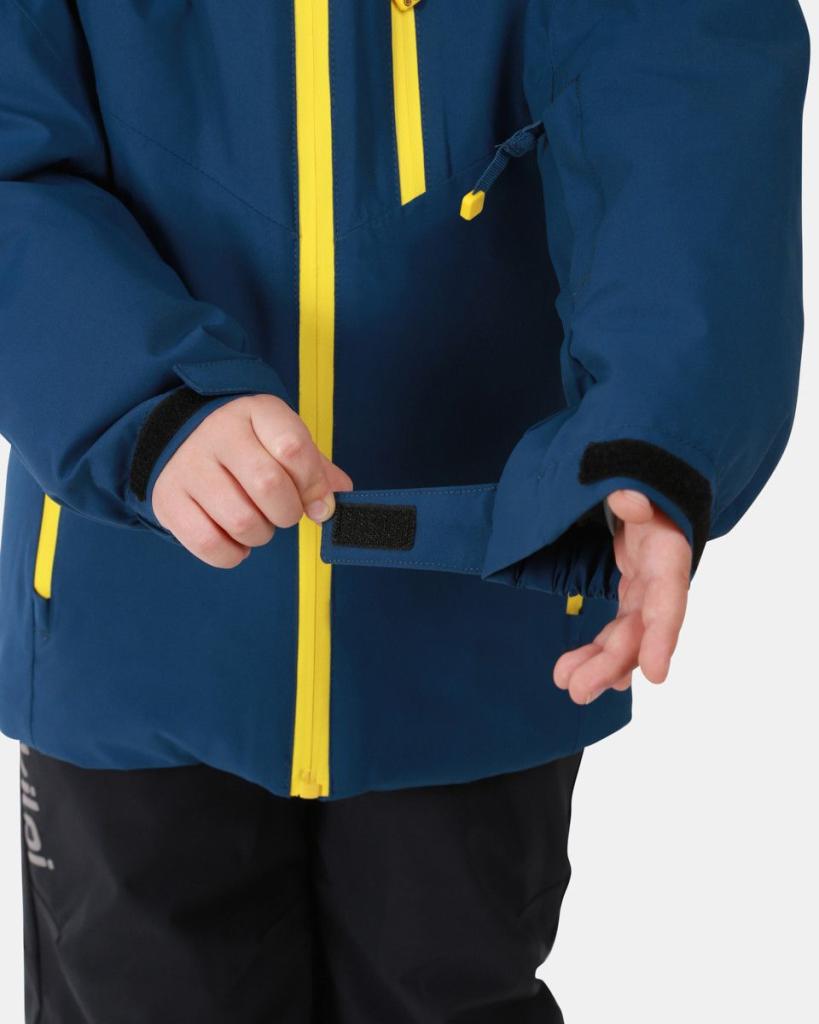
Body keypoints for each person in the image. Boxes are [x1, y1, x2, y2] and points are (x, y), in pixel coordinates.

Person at [0, 2, 809, 1021]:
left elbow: (682, 76)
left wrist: (651, 431)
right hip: (133, 609)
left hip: (472, 592)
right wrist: (141, 402)